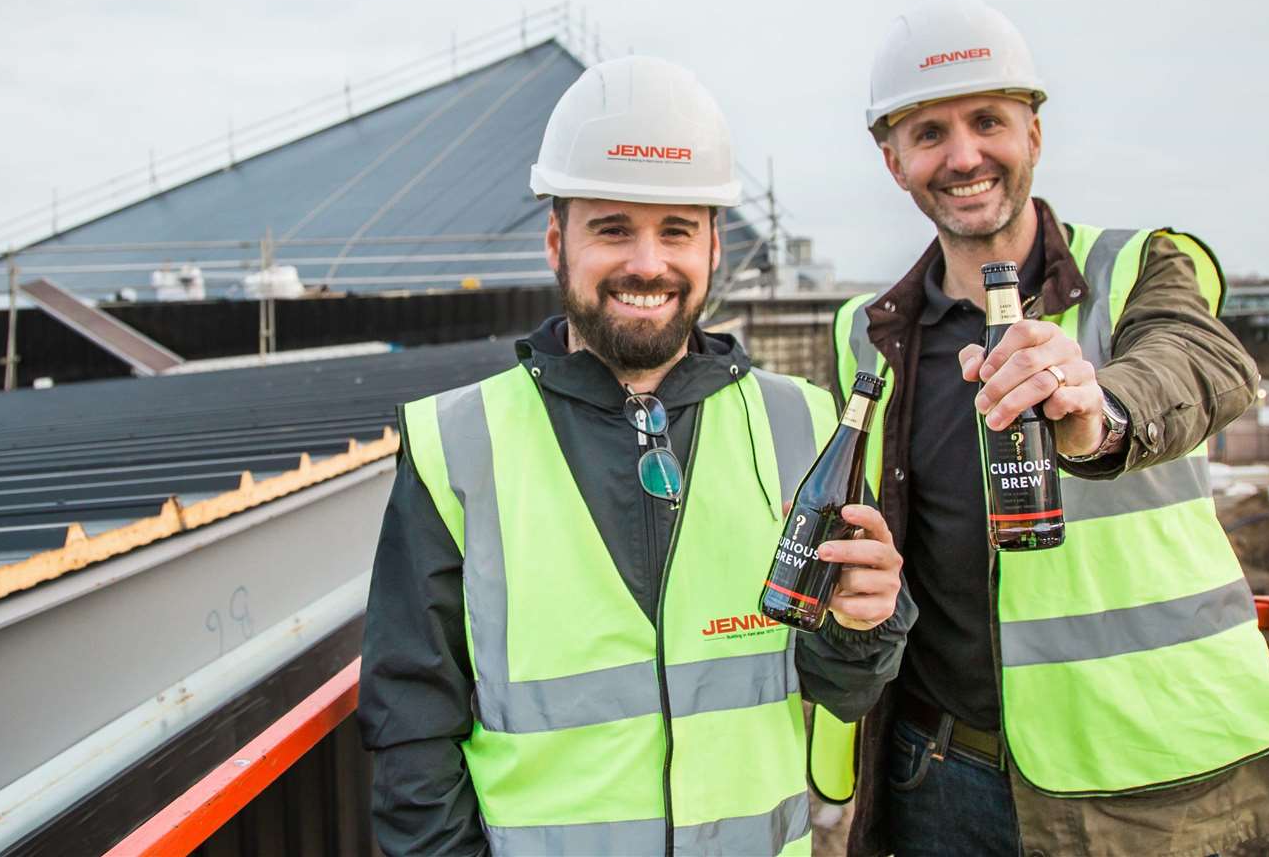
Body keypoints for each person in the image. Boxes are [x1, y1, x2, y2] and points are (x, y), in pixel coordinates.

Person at [358, 55, 915, 856]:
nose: (648, 263)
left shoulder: (802, 423)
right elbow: (411, 723)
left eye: (676, 231)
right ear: (557, 241)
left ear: (714, 247)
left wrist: (866, 623)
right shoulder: (459, 444)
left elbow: (841, 686)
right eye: (612, 228)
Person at [827, 0, 1269, 856]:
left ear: (1033, 134)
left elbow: (1203, 362)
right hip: (936, 773)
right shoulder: (864, 330)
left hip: (1149, 780)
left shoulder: (1136, 268)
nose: (963, 156)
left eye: (987, 121)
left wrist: (1097, 416)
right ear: (891, 160)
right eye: (928, 133)